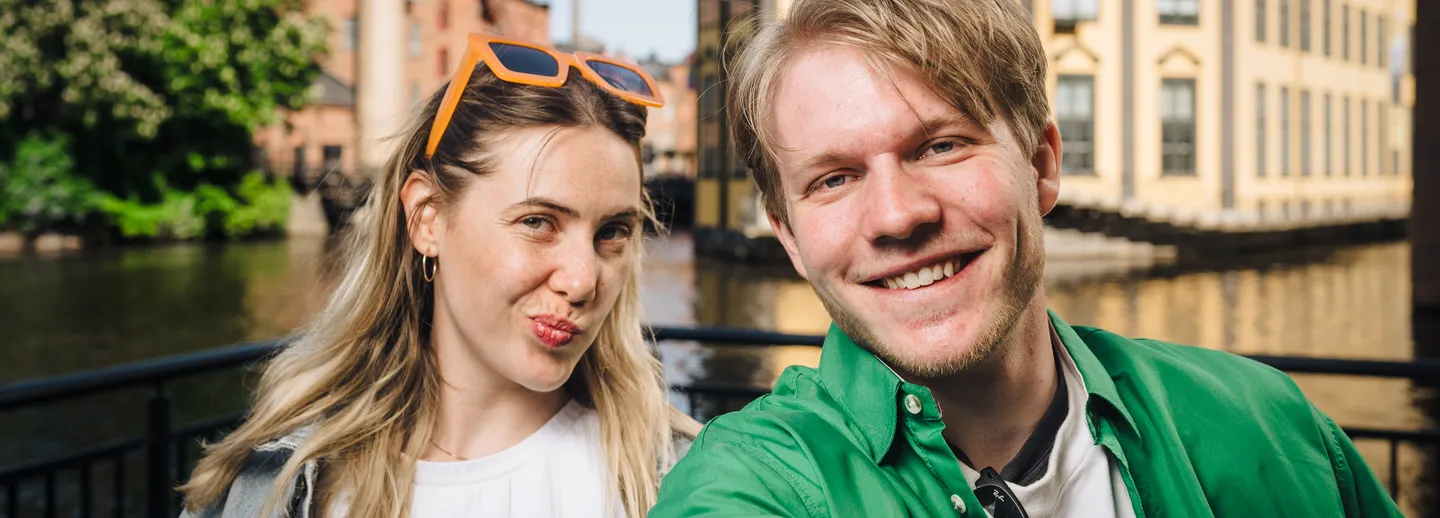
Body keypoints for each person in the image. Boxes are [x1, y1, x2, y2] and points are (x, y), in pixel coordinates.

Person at [651, 0, 1401, 516]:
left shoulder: (1268, 427)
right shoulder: (748, 489)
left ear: (1042, 164)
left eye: (941, 145)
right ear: (788, 236)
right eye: (834, 179)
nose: (897, 215)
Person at [180, 33, 699, 518]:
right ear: (427, 218)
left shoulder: (682, 478)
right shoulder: (280, 488)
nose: (583, 280)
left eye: (611, 232)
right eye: (538, 223)